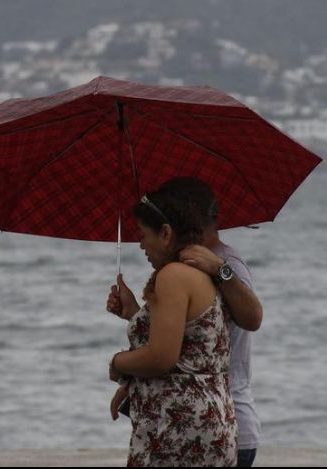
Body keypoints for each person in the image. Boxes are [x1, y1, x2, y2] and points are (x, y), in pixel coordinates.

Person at [108, 177, 263, 467]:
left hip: (191, 426)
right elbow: (189, 339)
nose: (140, 244)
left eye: (143, 235)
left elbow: (164, 356)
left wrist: (118, 362)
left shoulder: (214, 264)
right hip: (210, 419)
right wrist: (135, 314)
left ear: (168, 230)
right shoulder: (187, 268)